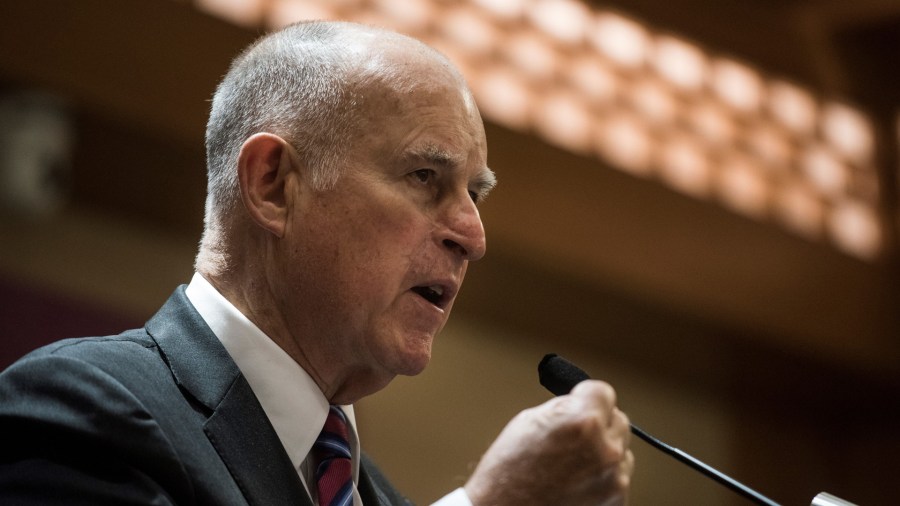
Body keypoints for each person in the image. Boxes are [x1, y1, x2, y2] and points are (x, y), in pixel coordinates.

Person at [0, 20, 633, 505]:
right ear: (273, 184)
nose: (473, 234)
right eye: (424, 175)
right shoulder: (82, 412)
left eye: (476, 193)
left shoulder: (377, 494)